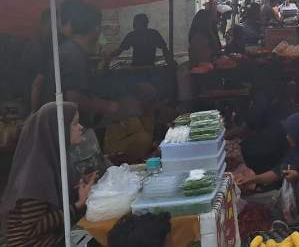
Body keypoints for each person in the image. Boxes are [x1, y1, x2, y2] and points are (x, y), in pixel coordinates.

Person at [1, 102, 97, 247]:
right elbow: (31, 228)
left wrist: (80, 186)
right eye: (75, 123)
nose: (80, 127)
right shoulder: (37, 172)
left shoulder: (55, 158)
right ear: (59, 129)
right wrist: (77, 205)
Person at [104, 14, 175, 68]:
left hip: (138, 69)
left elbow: (119, 51)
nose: (133, 25)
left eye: (135, 23)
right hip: (149, 68)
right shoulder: (153, 33)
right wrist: (171, 63)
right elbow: (165, 50)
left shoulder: (132, 35)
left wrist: (108, 57)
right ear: (146, 23)